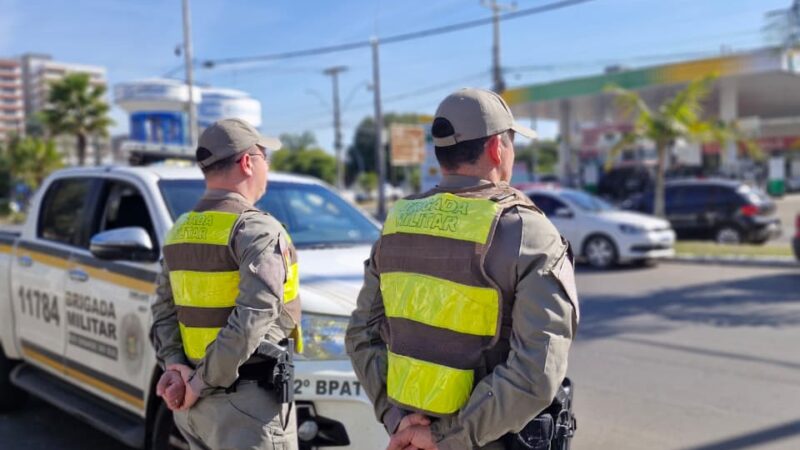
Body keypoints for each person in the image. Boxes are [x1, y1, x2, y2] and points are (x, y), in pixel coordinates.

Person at [345, 88, 579, 450]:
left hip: (407, 435)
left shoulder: (398, 223)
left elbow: (362, 335)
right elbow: (536, 374)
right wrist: (442, 437)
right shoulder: (528, 232)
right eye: (512, 143)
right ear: (497, 148)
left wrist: (397, 420)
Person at [150, 118, 301, 450]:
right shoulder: (257, 230)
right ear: (248, 162)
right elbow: (251, 320)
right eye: (264, 157)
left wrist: (176, 367)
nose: (267, 168)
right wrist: (199, 382)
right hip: (247, 412)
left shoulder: (180, 229)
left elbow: (163, 312)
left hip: (195, 410)